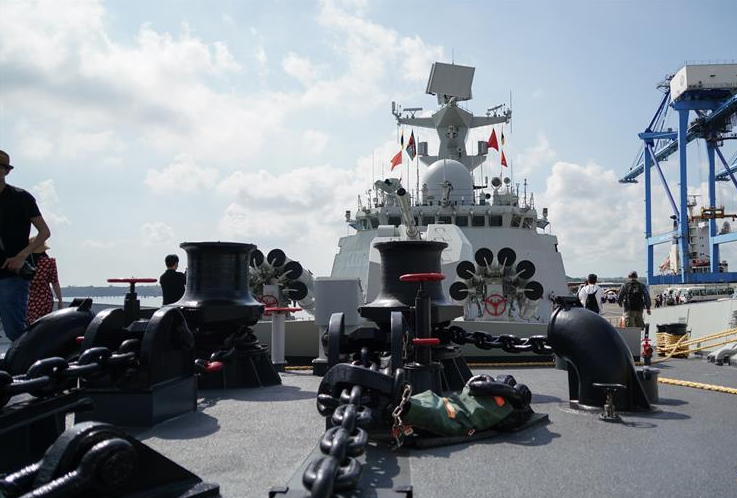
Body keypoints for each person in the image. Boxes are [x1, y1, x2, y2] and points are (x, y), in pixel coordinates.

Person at [0, 150, 51, 341]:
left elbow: (44, 232)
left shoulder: (21, 197)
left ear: (6, 171)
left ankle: (27, 365)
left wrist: (22, 256)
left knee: (14, 329)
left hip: (12, 272)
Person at [27, 237, 63, 324]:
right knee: (42, 326)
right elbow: (55, 282)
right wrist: (60, 300)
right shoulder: (49, 262)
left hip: (28, 299)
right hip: (45, 299)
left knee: (28, 327)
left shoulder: (25, 264)